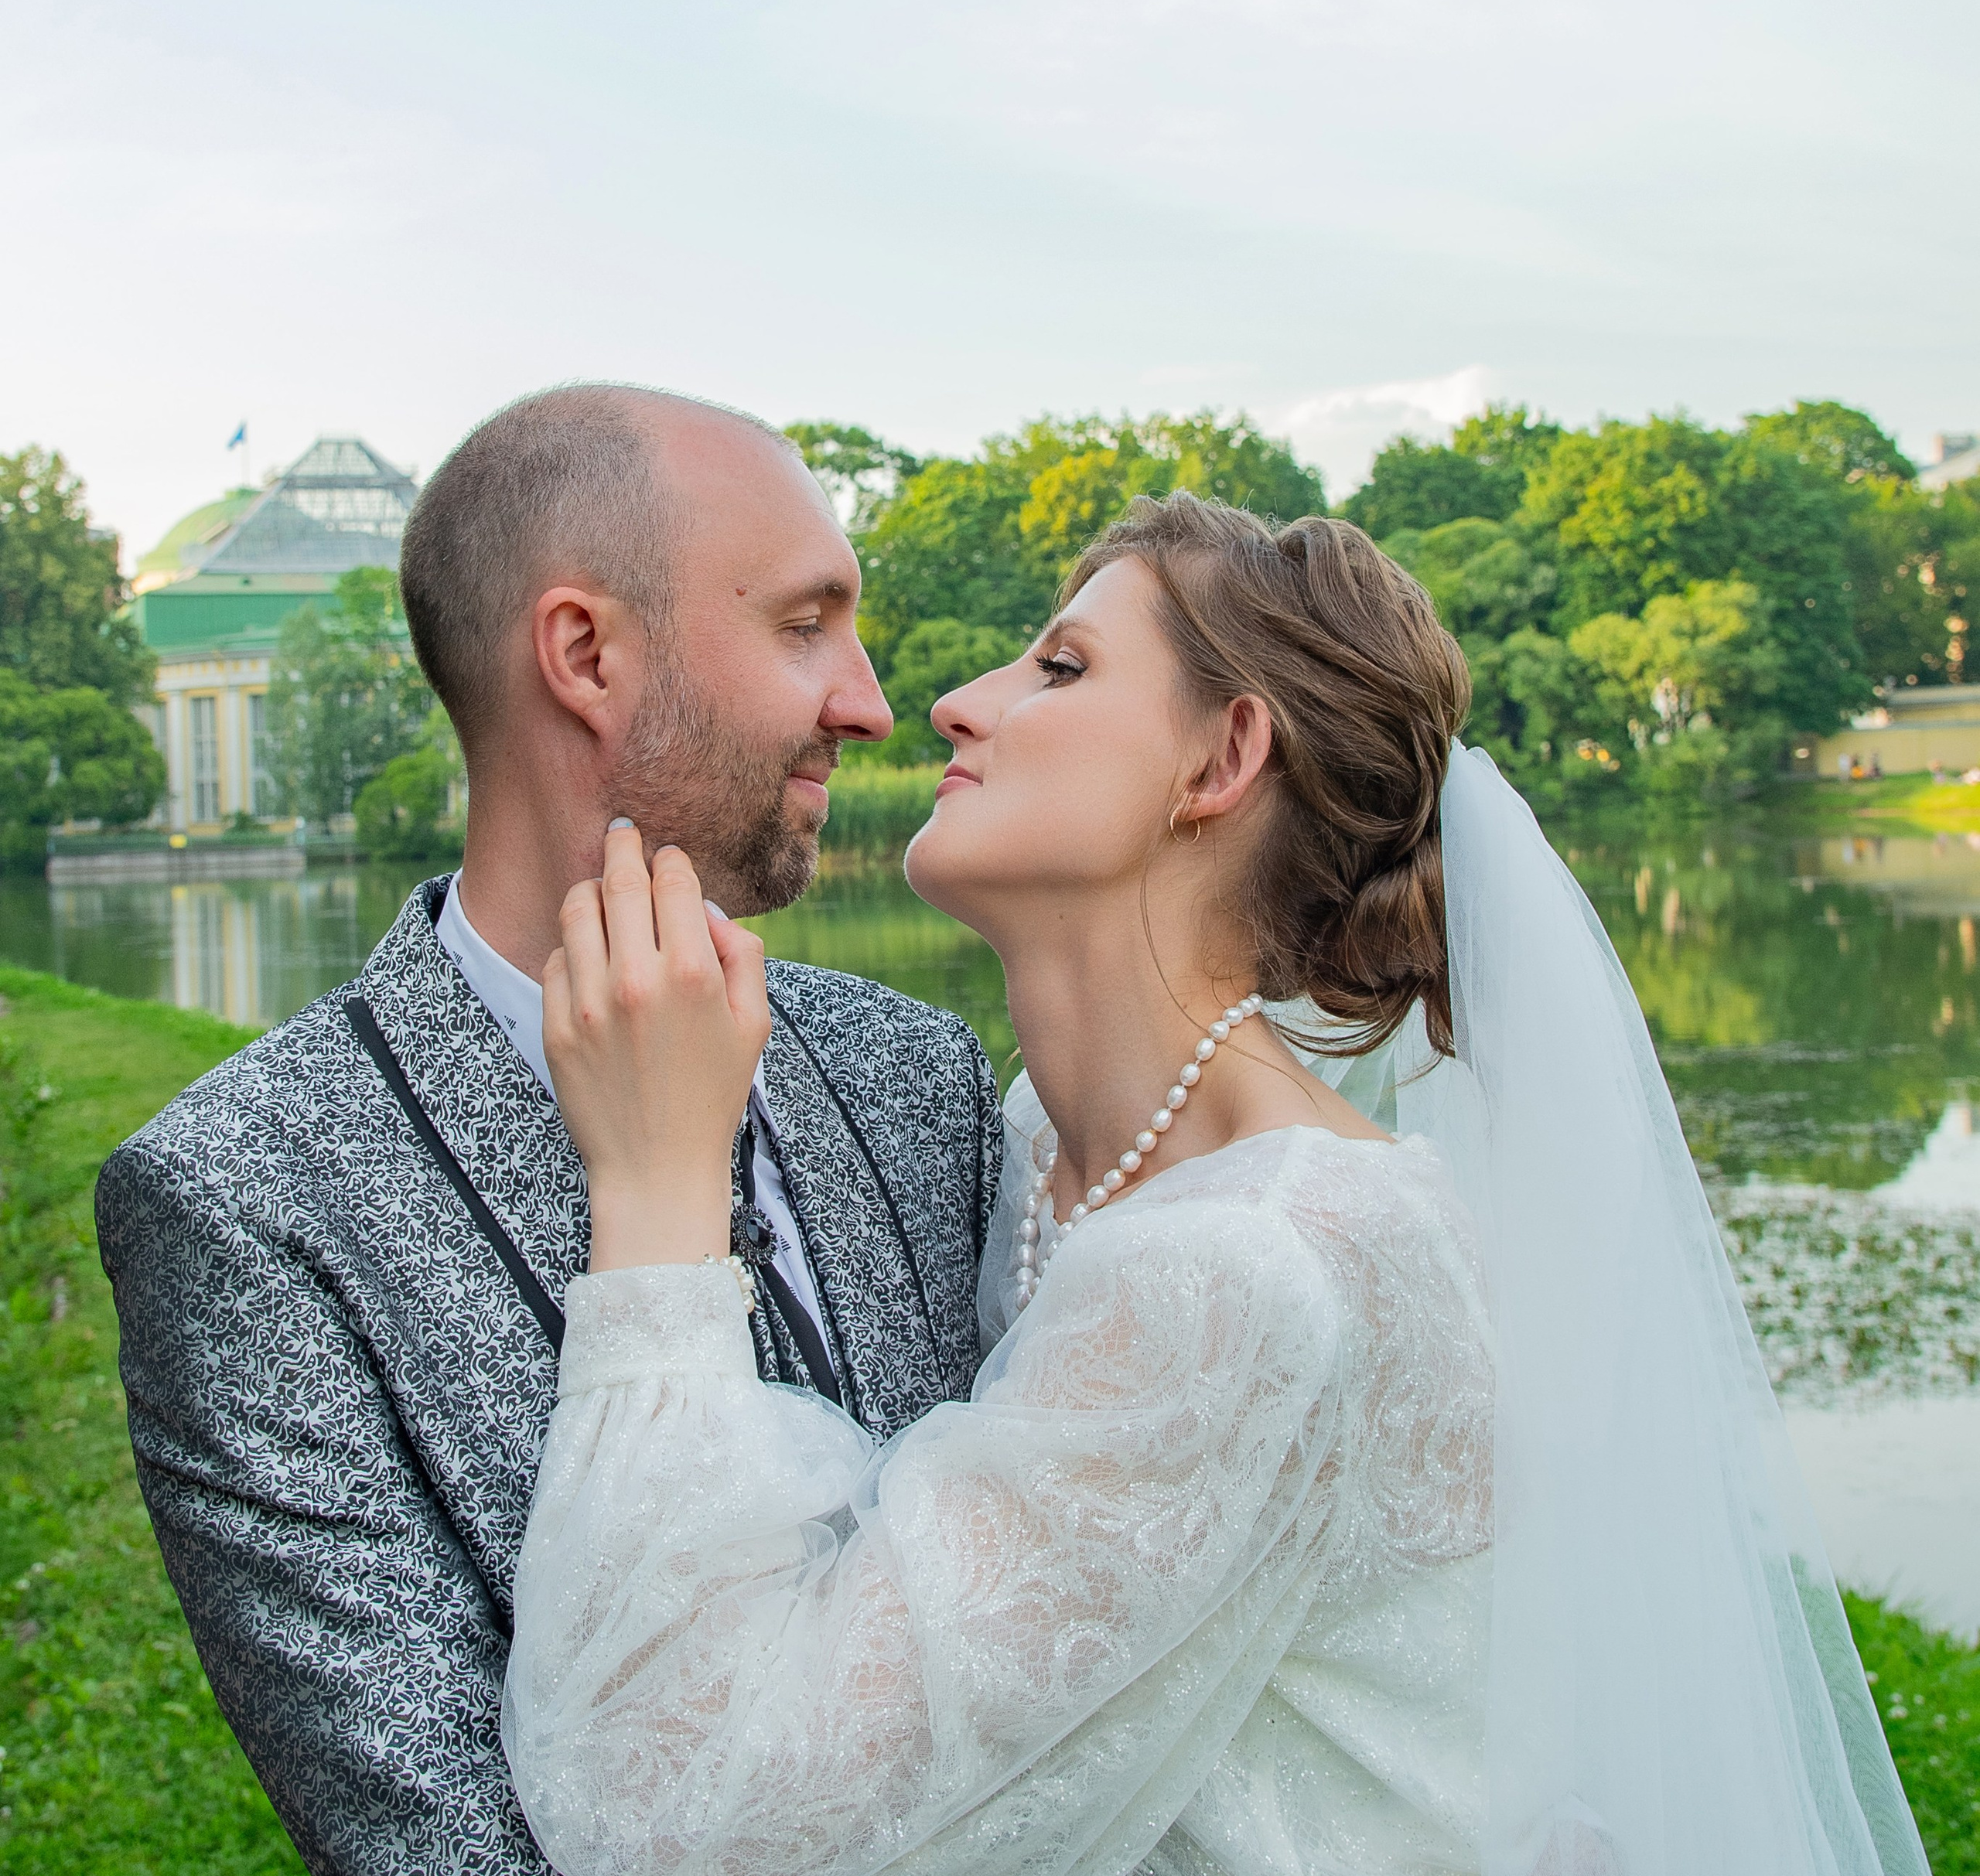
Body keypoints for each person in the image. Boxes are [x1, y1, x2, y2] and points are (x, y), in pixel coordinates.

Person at [504, 493, 1926, 1876]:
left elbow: (688, 1829)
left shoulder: (1257, 1267)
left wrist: (656, 1188)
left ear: (1220, 759)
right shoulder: (1045, 1146)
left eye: (1059, 666)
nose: (951, 704)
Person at [94, 387, 1002, 1874]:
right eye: (802, 625)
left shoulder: (915, 1068)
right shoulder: (241, 1205)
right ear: (585, 654)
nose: (871, 702)